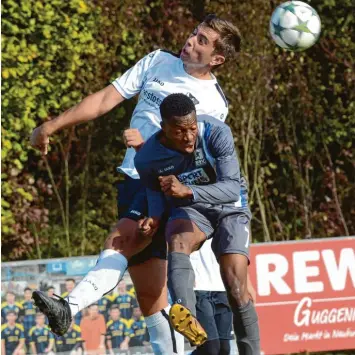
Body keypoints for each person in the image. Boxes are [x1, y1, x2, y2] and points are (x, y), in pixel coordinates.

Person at [31, 14, 241, 355]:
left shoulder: (214, 103)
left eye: (202, 40)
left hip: (160, 185)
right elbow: (104, 100)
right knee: (150, 296)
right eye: (194, 33)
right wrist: (51, 126)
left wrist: (167, 203)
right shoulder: (157, 61)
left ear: (217, 58)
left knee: (120, 239)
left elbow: (196, 158)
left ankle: (68, 307)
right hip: (131, 180)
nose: (191, 41)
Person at [134, 93, 260, 353]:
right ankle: (187, 316)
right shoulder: (147, 158)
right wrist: (155, 216)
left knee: (236, 288)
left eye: (191, 128)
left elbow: (231, 189)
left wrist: (188, 190)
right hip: (192, 209)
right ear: (164, 128)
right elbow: (154, 191)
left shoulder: (215, 132)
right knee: (177, 239)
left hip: (229, 208)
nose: (189, 137)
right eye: (179, 131)